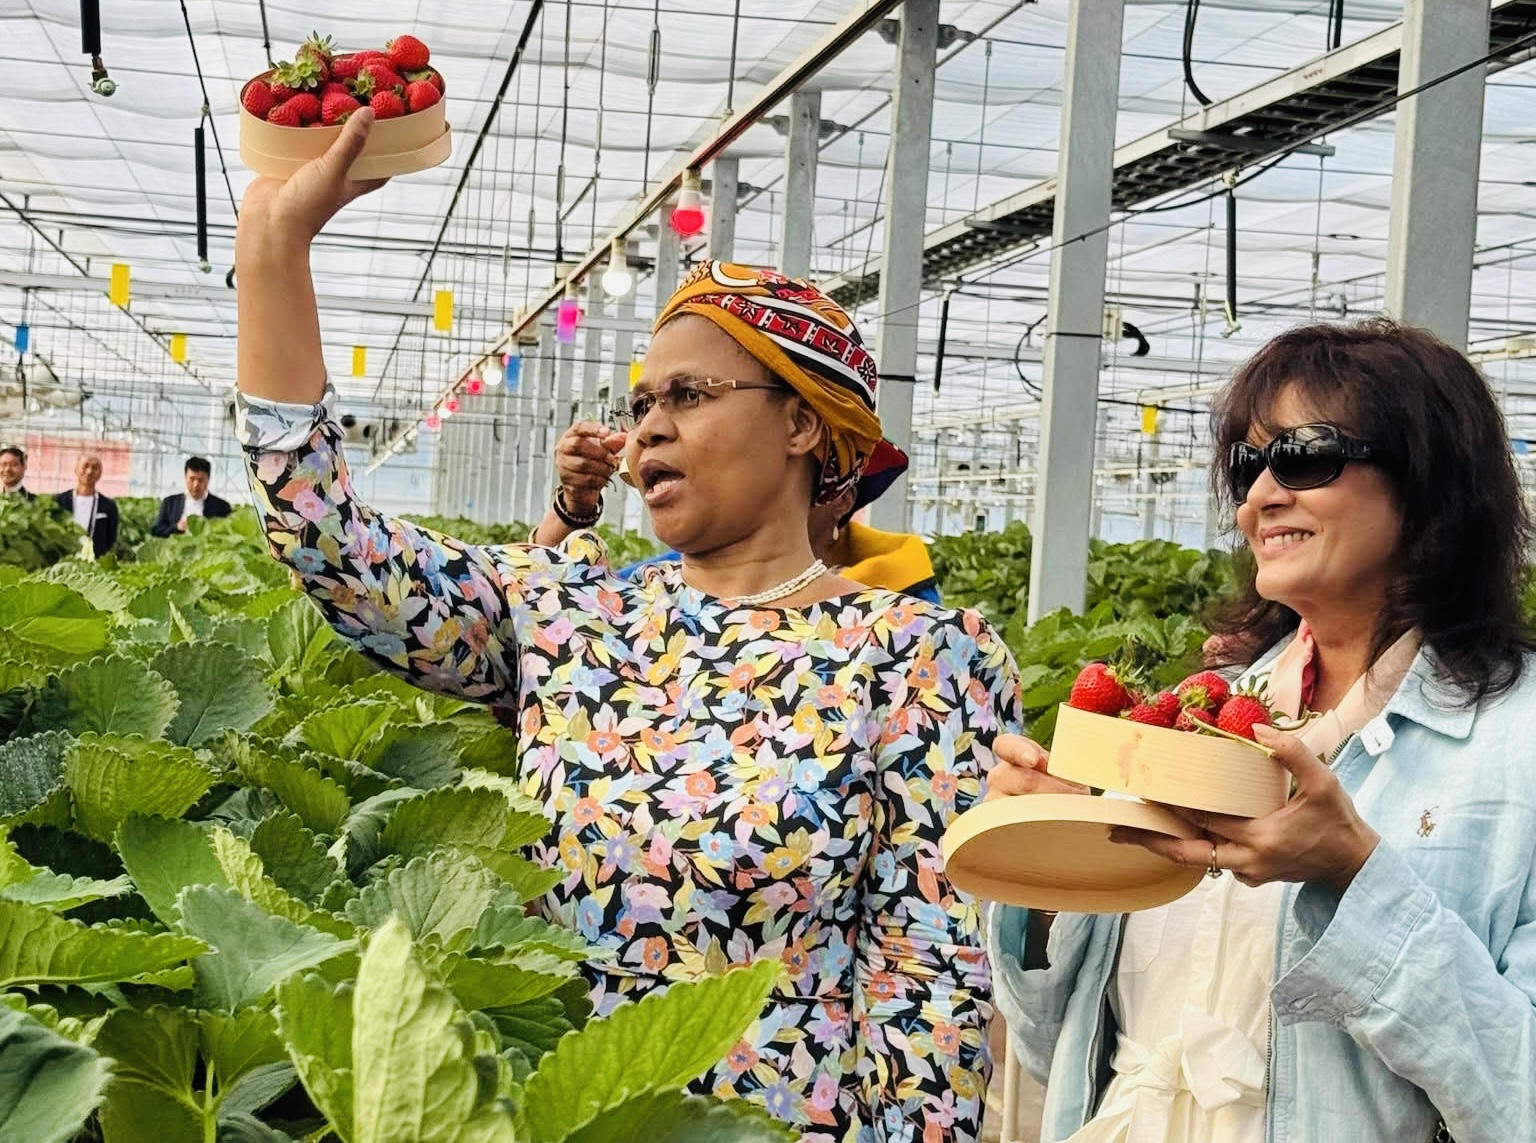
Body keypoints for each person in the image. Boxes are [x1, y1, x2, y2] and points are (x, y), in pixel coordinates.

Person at [231, 110, 1020, 1143]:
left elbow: (931, 985)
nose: (648, 424)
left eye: (689, 395)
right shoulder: (570, 609)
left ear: (800, 424)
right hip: (560, 1114)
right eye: (643, 399)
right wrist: (275, 252)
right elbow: (337, 550)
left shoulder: (921, 655)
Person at [985, 319, 1536, 1143]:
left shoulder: (1515, 744)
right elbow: (1052, 1042)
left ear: (1429, 480)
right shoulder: (1194, 721)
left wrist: (1354, 875)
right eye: (1248, 463)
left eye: (1305, 455)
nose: (1260, 495)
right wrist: (1047, 864)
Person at [537, 427, 942, 601]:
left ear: (840, 498)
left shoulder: (903, 601)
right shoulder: (665, 580)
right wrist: (575, 503)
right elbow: (537, 613)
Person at [54, 454, 119, 558]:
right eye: (85, 466)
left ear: (100, 473)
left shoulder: (108, 506)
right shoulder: (60, 501)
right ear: (76, 469)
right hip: (64, 558)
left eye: (95, 468)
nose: (89, 471)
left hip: (95, 561)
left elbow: (111, 538)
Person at [151, 456, 232, 536]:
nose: (196, 484)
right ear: (185, 477)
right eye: (192, 479)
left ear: (208, 480)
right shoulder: (170, 503)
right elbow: (157, 531)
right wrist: (176, 527)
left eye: (200, 480)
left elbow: (227, 535)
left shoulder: (222, 507)